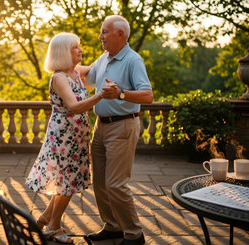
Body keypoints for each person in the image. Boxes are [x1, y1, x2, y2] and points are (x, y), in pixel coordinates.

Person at [25, 32, 117, 244]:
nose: (80, 50)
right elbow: (74, 107)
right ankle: (54, 226)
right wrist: (101, 94)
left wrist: (109, 51)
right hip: (64, 138)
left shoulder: (75, 72)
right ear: (64, 53)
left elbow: (95, 67)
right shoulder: (59, 77)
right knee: (67, 182)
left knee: (66, 181)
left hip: (76, 136)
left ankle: (46, 217)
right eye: (75, 47)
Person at [79, 15, 154, 245]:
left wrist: (121, 93)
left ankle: (134, 234)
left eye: (104, 32)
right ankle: (112, 227)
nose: (101, 36)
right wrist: (64, 61)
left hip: (123, 126)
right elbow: (87, 77)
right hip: (101, 127)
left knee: (115, 184)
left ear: (120, 34)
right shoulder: (104, 58)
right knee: (100, 182)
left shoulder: (133, 60)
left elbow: (148, 95)